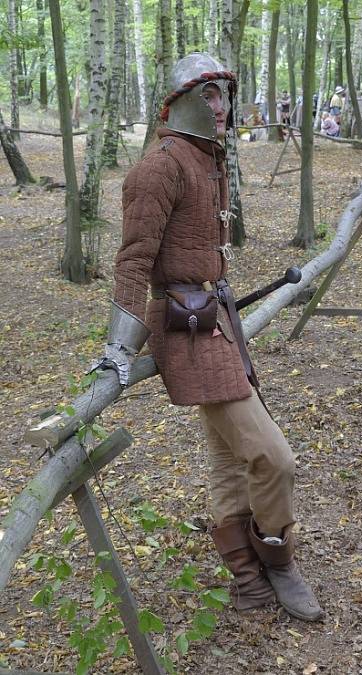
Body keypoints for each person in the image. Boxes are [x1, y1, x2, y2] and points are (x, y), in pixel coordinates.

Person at [93, 53, 322, 622]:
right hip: (187, 329)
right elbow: (134, 260)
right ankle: (279, 562)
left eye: (225, 94)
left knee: (227, 459)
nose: (221, 107)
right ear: (180, 104)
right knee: (274, 459)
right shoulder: (159, 167)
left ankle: (246, 580)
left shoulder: (207, 158)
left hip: (218, 319)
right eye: (210, 96)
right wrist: (119, 348)